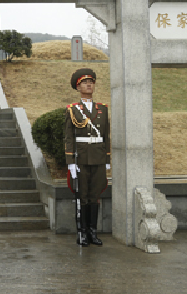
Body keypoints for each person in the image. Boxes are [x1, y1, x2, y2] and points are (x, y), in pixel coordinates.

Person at [64, 68, 110, 247]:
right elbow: (69, 137)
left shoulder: (103, 109)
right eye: (85, 82)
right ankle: (82, 232)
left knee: (95, 195)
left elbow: (105, 136)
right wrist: (70, 162)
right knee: (82, 196)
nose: (89, 85)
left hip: (98, 157)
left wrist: (107, 159)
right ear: (78, 87)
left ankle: (93, 232)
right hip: (81, 158)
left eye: (91, 82)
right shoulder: (72, 110)